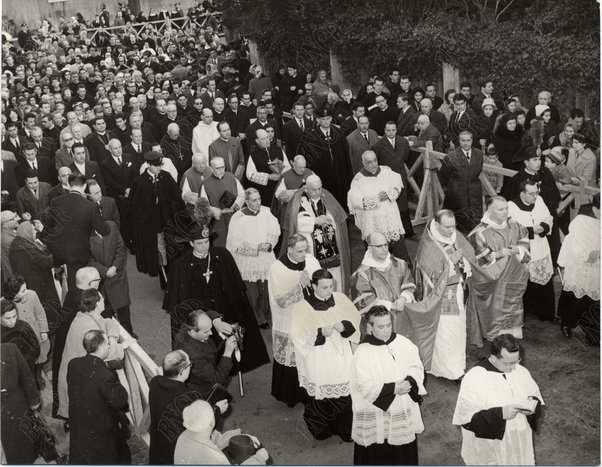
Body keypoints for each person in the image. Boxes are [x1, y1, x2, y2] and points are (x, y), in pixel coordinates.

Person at [163, 220, 271, 373]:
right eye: (199, 243)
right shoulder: (181, 266)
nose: (205, 246)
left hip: (225, 310)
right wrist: (212, 319)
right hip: (200, 318)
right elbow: (184, 304)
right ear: (191, 244)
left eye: (207, 241)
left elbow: (236, 292)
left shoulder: (222, 256)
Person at [401, 210, 475, 380]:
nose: (452, 230)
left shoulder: (453, 236)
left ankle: (455, 365)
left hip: (457, 290)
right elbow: (428, 274)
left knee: (457, 329)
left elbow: (468, 255)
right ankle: (451, 371)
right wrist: (451, 263)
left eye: (453, 226)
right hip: (442, 296)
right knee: (447, 331)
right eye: (447, 227)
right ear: (436, 224)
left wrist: (464, 264)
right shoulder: (429, 245)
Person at [290, 269, 361, 441]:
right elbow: (297, 335)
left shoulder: (341, 299)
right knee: (321, 393)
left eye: (331, 286)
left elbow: (355, 318)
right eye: (324, 287)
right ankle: (322, 429)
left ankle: (346, 429)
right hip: (318, 357)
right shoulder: (302, 307)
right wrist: (319, 332)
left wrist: (345, 326)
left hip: (341, 354)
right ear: (314, 286)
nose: (329, 291)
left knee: (345, 392)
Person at [351, 305, 426, 465]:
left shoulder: (403, 343)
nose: (386, 330)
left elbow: (416, 366)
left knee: (401, 445)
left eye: (388, 325)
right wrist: (393, 388)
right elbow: (362, 385)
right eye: (380, 327)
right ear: (369, 327)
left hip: (401, 404)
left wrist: (410, 381)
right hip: (377, 409)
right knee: (378, 449)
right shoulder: (363, 352)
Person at [453, 334, 544, 465]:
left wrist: (532, 405)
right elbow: (466, 420)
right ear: (494, 358)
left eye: (517, 360)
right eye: (509, 363)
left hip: (518, 439)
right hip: (491, 446)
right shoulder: (475, 378)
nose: (514, 367)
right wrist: (500, 414)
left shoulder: (520, 370)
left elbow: (535, 395)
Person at [467, 197, 530, 346]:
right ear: (489, 211)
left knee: (513, 304)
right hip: (494, 280)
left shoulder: (515, 225)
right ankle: (497, 337)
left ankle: (512, 333)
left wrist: (518, 250)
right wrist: (497, 254)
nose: (505, 212)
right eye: (500, 209)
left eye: (506, 208)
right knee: (496, 307)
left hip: (513, 277)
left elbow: (525, 242)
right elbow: (476, 259)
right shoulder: (480, 232)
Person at [268, 234, 321, 407]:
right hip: (289, 319)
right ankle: (291, 395)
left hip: (310, 318)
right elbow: (281, 301)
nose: (304, 254)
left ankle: (310, 394)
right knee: (293, 357)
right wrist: (299, 285)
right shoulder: (277, 268)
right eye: (299, 251)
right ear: (289, 249)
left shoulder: (311, 261)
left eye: (305, 249)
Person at [57, 288, 126, 420]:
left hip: (76, 373)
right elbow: (105, 354)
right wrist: (120, 346)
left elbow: (108, 322)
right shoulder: (88, 326)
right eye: (102, 299)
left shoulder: (85, 315)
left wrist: (111, 338)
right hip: (79, 381)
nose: (104, 300)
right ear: (97, 304)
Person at [67, 330, 131, 464]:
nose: (109, 346)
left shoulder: (73, 364)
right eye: (108, 344)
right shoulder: (106, 376)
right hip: (100, 431)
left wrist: (104, 366)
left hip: (80, 426)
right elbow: (120, 401)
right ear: (101, 348)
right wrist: (114, 378)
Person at [149, 350, 221, 464]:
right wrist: (217, 409)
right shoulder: (186, 398)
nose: (191, 368)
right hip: (176, 453)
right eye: (189, 365)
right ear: (182, 372)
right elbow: (200, 420)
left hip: (157, 446)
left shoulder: (155, 382)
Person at [281, 174, 351, 292]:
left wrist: (328, 219)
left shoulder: (326, 196)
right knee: (316, 273)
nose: (318, 192)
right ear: (306, 188)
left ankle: (337, 294)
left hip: (331, 244)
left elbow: (336, 216)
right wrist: (314, 221)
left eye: (320, 188)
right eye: (314, 189)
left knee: (335, 274)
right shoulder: (298, 199)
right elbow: (296, 222)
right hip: (311, 246)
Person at [41, 173, 110, 291]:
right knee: (81, 286)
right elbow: (104, 230)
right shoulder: (90, 206)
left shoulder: (56, 201)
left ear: (68, 184)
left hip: (59, 253)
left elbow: (48, 225)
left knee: (68, 286)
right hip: (79, 254)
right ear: (84, 186)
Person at [226, 188, 280, 328]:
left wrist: (269, 244)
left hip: (265, 257)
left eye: (259, 199)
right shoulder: (238, 218)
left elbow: (275, 231)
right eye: (254, 200)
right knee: (253, 292)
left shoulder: (267, 212)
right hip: (247, 261)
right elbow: (234, 243)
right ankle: (258, 318)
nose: (258, 203)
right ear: (247, 201)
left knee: (266, 289)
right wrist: (256, 248)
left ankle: (267, 313)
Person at [129, 151, 184, 279]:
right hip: (152, 226)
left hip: (168, 223)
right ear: (148, 164)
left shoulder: (166, 176)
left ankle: (174, 277)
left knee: (172, 251)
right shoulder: (139, 182)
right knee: (160, 254)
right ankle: (165, 280)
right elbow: (136, 209)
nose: (159, 168)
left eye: (160, 165)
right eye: (156, 165)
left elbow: (176, 198)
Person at [348, 150, 409, 262]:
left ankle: (404, 274)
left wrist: (391, 193)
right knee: (377, 251)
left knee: (399, 248)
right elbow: (354, 201)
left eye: (375, 160)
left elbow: (397, 183)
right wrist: (376, 199)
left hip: (391, 220)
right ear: (363, 163)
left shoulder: (386, 170)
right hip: (374, 223)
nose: (373, 164)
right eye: (369, 162)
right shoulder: (358, 179)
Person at [508, 180, 555, 321]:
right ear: (522, 193)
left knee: (543, 280)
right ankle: (527, 310)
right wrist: (530, 230)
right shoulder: (511, 206)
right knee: (525, 280)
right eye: (531, 194)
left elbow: (548, 217)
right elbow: (511, 229)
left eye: (537, 192)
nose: (535, 196)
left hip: (540, 246)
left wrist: (544, 227)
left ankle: (545, 313)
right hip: (525, 248)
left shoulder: (539, 200)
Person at [349, 231, 416, 326]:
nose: (384, 249)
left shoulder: (400, 264)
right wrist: (390, 305)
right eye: (379, 246)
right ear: (370, 248)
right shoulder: (362, 274)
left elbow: (409, 284)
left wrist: (404, 297)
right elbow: (363, 302)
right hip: (379, 321)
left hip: (403, 313)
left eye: (386, 245)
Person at [174, 400, 269, 465]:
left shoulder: (184, 435)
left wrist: (238, 435)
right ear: (212, 422)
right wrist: (259, 458)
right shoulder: (214, 459)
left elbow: (214, 439)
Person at [558, 195, 600, 341]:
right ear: (595, 209)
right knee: (578, 296)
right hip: (581, 264)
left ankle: (592, 330)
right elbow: (575, 245)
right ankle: (567, 322)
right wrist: (589, 255)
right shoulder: (581, 222)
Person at [298, 107, 352, 209]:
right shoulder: (312, 135)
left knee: (342, 199)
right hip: (323, 176)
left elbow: (346, 156)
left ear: (331, 119)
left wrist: (348, 175)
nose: (326, 121)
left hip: (340, 175)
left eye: (328, 118)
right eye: (323, 119)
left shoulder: (339, 133)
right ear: (318, 120)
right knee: (326, 201)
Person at [174, 310, 236, 397]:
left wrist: (216, 322)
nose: (211, 333)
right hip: (201, 391)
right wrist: (227, 353)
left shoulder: (189, 325)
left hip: (205, 367)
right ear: (193, 333)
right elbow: (216, 380)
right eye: (206, 332)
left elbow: (207, 314)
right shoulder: (193, 356)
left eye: (210, 328)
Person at [89, 219, 135, 336]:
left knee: (123, 309)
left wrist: (114, 267)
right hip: (101, 279)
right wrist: (105, 271)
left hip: (117, 274)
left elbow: (121, 248)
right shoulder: (84, 234)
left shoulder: (111, 226)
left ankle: (129, 334)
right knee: (106, 312)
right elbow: (89, 259)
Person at [9, 220, 60, 320]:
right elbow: (46, 262)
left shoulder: (17, 245)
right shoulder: (27, 249)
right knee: (46, 309)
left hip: (28, 283)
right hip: (39, 284)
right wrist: (59, 255)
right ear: (26, 232)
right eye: (32, 230)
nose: (35, 232)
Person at [0, 342, 41, 464]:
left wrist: (34, 400)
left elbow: (26, 375)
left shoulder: (10, 349)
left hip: (15, 405)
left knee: (21, 443)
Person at [373, 121, 414, 237]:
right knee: (390, 203)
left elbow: (405, 157)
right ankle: (392, 230)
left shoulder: (403, 142)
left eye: (393, 130)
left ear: (396, 130)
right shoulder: (378, 145)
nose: (391, 132)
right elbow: (378, 163)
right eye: (388, 130)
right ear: (384, 131)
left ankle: (407, 231)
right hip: (387, 178)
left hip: (401, 176)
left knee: (403, 204)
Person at [437, 131, 484, 233]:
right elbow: (443, 176)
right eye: (463, 140)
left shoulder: (479, 154)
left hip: (474, 193)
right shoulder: (451, 156)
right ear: (459, 140)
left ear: (472, 140)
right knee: (459, 223)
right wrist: (451, 189)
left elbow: (478, 170)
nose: (466, 143)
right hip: (457, 194)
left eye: (468, 140)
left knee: (475, 220)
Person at [199, 156, 245, 248]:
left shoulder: (231, 177)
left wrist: (234, 205)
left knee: (237, 243)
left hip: (234, 216)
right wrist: (219, 211)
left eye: (223, 167)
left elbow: (242, 194)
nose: (221, 170)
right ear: (211, 168)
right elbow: (203, 205)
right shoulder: (206, 184)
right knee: (221, 245)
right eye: (217, 168)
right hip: (217, 222)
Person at [246, 128, 290, 207]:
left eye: (267, 137)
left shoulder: (278, 150)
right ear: (257, 141)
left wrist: (281, 174)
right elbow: (250, 175)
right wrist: (268, 177)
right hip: (264, 191)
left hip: (280, 187)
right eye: (263, 139)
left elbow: (288, 167)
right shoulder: (253, 154)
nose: (267, 140)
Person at [1, 298, 41, 376]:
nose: (13, 321)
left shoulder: (23, 326)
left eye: (14, 316)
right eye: (7, 318)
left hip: (27, 367)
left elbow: (36, 347)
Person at [271, 155, 314, 225]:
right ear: (294, 164)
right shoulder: (286, 176)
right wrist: (298, 191)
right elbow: (278, 194)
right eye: (300, 167)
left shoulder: (310, 173)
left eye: (304, 167)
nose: (303, 170)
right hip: (292, 209)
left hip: (310, 206)